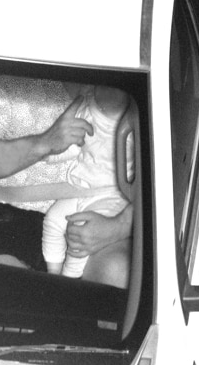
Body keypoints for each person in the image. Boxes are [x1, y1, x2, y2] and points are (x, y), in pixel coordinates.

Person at [0, 75, 132, 288]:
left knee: (119, 272)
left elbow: (161, 176)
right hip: (6, 214)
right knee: (8, 288)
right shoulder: (0, 80)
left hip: (97, 213)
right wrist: (45, 142)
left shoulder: (122, 90)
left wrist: (121, 226)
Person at [41, 87, 131, 279]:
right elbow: (72, 146)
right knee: (53, 220)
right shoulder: (86, 108)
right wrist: (50, 151)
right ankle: (53, 274)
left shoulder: (133, 121)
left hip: (112, 194)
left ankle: (68, 281)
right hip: (84, 188)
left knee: (80, 233)